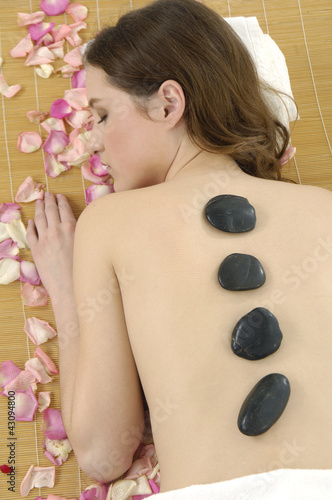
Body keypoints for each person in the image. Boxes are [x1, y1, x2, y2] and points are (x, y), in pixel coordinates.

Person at [26, 0, 332, 496]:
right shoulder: (324, 211)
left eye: (102, 115)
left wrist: (64, 287)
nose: (95, 142)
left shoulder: (109, 222)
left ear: (167, 104)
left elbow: (103, 452)